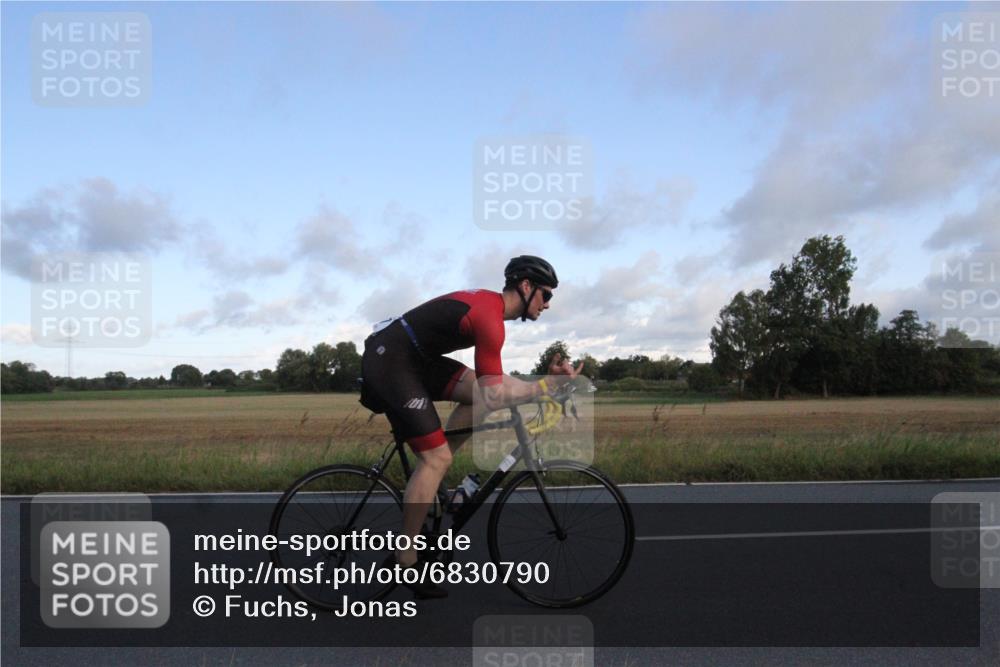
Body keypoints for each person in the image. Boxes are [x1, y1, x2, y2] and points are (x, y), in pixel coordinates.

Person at [360, 255, 583, 598]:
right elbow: (497, 394)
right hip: (391, 362)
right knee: (436, 458)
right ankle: (406, 558)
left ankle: (434, 478)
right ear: (526, 286)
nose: (548, 304)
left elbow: (491, 385)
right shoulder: (489, 319)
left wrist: (543, 385)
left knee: (476, 400)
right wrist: (543, 388)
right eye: (546, 294)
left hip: (415, 360)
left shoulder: (492, 311)